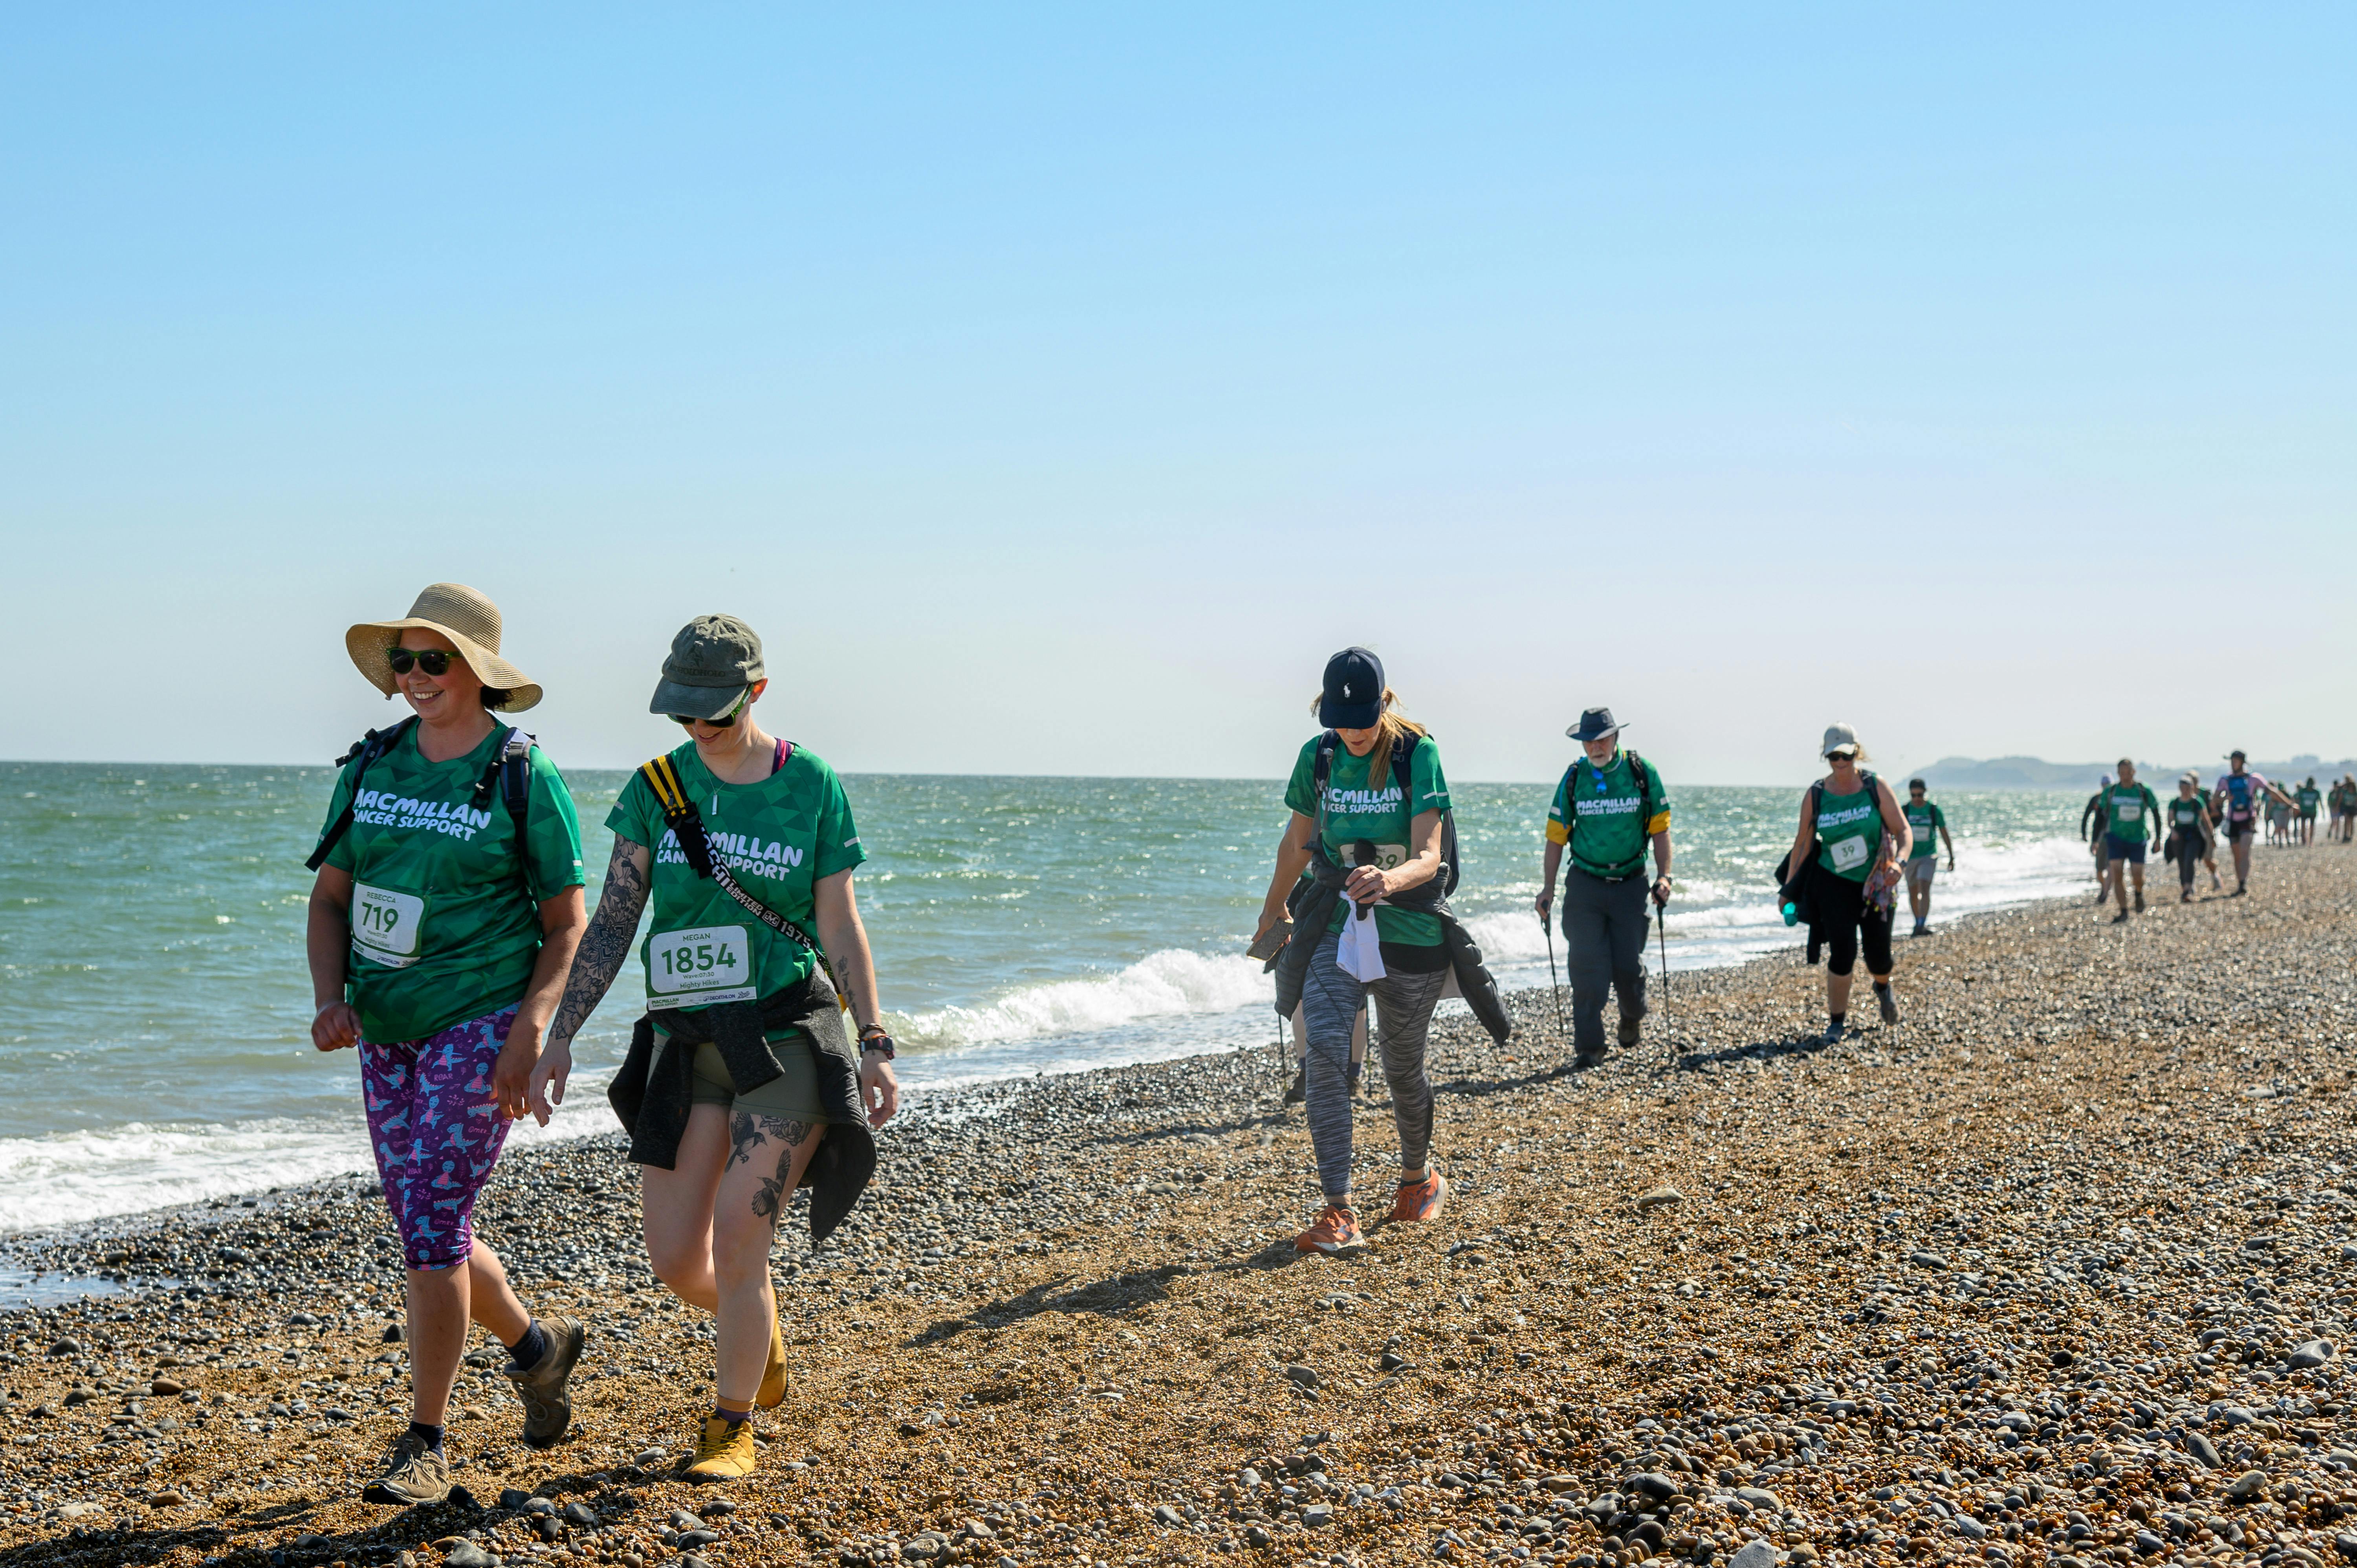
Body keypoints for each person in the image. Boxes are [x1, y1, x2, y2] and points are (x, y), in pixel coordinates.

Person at [534, 615, 898, 1484]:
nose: (698, 729)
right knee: (675, 1260)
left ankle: (729, 1425)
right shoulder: (656, 787)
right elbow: (616, 918)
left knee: (740, 1244)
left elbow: (838, 919)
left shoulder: (810, 782)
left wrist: (876, 1037)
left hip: (784, 1035)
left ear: (757, 692)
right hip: (686, 1040)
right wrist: (561, 1036)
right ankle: (759, 1331)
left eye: (716, 712)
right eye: (683, 714)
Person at [304, 583, 591, 1505]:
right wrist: (330, 998)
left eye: (437, 659)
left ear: (478, 672)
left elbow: (567, 925)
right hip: (387, 1032)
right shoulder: (373, 766)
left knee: (429, 1222)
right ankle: (539, 1355)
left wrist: (532, 1032)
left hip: (482, 1022)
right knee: (435, 1226)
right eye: (406, 660)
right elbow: (332, 900)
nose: (417, 676)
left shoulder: (521, 775)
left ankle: (425, 1441)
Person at [1252, 648, 1458, 1257]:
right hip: (1333, 925)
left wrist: (1388, 882)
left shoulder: (1417, 754)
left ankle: (1418, 1181)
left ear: (1384, 703)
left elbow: (1430, 853)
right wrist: (1272, 909)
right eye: (1342, 720)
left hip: (1407, 928)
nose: (1354, 731)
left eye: (1364, 719)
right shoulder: (1318, 757)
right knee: (1325, 1056)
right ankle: (1339, 1211)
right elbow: (1297, 844)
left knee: (1402, 1069)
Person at [1533, 707, 1671, 1068]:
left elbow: (1660, 828)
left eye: (1601, 739)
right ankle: (1589, 1047)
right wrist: (1548, 888)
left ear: (1615, 737)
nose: (1595, 746)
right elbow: (1556, 835)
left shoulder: (1642, 773)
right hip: (1585, 885)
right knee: (1586, 967)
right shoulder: (1575, 776)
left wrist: (1664, 876)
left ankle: (1632, 1014)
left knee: (1627, 968)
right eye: (1588, 741)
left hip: (1631, 884)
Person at [1779, 724, 1912, 1047]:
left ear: (1857, 751)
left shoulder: (1874, 786)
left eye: (1846, 755)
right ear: (1826, 756)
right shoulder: (1817, 794)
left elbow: (1903, 832)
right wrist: (1788, 889)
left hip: (1876, 883)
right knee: (1843, 952)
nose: (1840, 761)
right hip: (1832, 883)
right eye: (1833, 756)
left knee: (1878, 958)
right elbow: (1803, 845)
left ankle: (1883, 986)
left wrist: (1900, 863)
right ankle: (1836, 1023)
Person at [2213, 751, 2298, 896]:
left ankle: (2243, 884)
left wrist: (2290, 804)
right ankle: (2240, 882)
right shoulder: (2225, 780)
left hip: (2248, 820)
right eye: (2232, 761)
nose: (2234, 763)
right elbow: (2215, 799)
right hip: (2232, 820)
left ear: (2243, 762)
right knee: (2237, 855)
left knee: (2245, 851)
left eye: (2237, 761)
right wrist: (2226, 798)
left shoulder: (2253, 778)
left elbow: (2272, 792)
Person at [2096, 760, 2163, 921]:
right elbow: (2100, 816)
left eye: (2128, 772)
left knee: (2137, 877)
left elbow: (2156, 813)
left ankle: (2139, 893)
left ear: (2134, 772)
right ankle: (2124, 910)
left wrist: (2158, 839)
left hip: (2137, 839)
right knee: (2117, 875)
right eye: (2122, 773)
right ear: (2118, 773)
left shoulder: (2143, 791)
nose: (2125, 776)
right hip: (2115, 839)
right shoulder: (2112, 792)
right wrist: (2095, 840)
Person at [1899, 778, 1955, 937]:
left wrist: (1951, 855)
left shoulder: (1933, 810)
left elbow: (1944, 833)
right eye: (1913, 795)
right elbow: (1897, 833)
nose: (1917, 798)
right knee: (1913, 891)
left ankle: (1922, 923)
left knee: (1924, 887)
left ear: (1925, 792)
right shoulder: (1905, 810)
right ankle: (1917, 923)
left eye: (1920, 794)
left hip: (1928, 855)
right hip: (1910, 856)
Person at [2165, 773, 2216, 902]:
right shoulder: (2175, 803)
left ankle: (2188, 889)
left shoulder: (2197, 802)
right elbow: (2170, 820)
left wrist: (2212, 837)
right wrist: (2173, 831)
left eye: (2187, 788)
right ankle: (2185, 887)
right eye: (2183, 788)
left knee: (2189, 860)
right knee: (2181, 862)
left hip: (2194, 835)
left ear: (2192, 788)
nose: (2185, 791)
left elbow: (2206, 820)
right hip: (2179, 835)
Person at [2080, 777, 2112, 900]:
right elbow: (2087, 816)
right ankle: (2105, 888)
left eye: (2108, 784)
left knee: (2111, 867)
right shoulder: (2097, 799)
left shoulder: (2115, 799)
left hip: (2114, 838)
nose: (2106, 786)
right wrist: (2085, 834)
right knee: (2099, 869)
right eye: (2104, 784)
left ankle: (2105, 893)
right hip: (2100, 838)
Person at [2296, 776, 2322, 846]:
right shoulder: (2303, 791)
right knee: (2303, 826)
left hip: (2313, 812)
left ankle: (2311, 842)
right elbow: (2298, 800)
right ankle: (2304, 840)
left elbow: (2320, 802)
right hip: (2304, 811)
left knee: (2312, 827)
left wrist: (2323, 811)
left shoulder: (2316, 792)